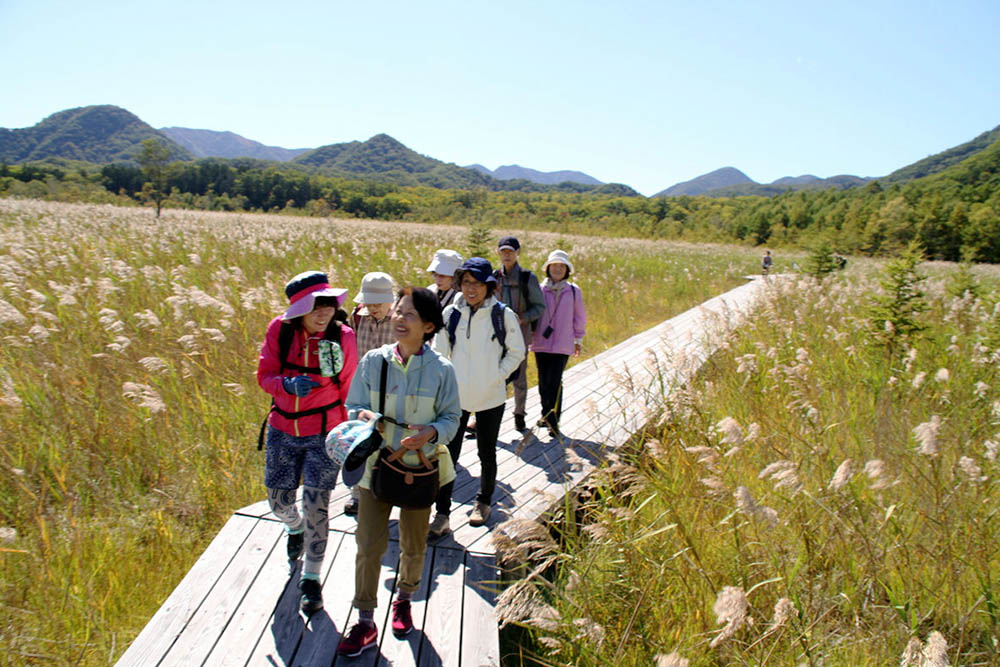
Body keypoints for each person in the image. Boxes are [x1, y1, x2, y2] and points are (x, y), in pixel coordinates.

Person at [336, 287, 461, 657]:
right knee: (368, 546)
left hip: (420, 470)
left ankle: (404, 599)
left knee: (413, 544)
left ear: (428, 325)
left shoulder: (442, 370)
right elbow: (353, 406)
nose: (399, 319)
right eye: (398, 312)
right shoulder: (374, 361)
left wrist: (432, 432)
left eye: (409, 315)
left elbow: (452, 417)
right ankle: (365, 621)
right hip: (375, 469)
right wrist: (363, 418)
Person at [256, 270, 358, 614]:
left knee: (318, 505)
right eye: (315, 306)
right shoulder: (279, 331)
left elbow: (349, 387)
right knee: (278, 501)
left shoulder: (344, 337)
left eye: (328, 305)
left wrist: (346, 435)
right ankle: (293, 527)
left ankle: (311, 580)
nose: (323, 313)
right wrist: (285, 385)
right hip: (282, 429)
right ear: (298, 310)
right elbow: (265, 375)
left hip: (323, 434)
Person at [429, 257, 525, 537]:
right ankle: (442, 514)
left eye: (478, 283)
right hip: (455, 399)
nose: (471, 289)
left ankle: (483, 502)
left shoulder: (501, 314)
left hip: (490, 397)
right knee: (448, 455)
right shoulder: (451, 314)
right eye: (467, 282)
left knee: (486, 452)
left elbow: (516, 352)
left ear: (489, 285)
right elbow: (439, 353)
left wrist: (497, 375)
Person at [342, 271, 397, 516]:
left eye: (378, 303)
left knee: (388, 444)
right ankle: (357, 494)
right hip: (361, 389)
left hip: (392, 392)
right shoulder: (357, 317)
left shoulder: (400, 320)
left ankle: (386, 491)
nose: (373, 308)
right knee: (358, 442)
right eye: (369, 302)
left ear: (389, 300)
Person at [530, 250, 586, 440]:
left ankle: (553, 421)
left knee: (554, 381)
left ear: (567, 270)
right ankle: (546, 415)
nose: (558, 269)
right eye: (554, 265)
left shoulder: (573, 291)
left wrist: (578, 339)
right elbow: (533, 314)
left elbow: (579, 317)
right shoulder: (539, 289)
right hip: (540, 342)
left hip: (563, 343)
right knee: (543, 383)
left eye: (561, 266)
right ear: (548, 268)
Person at [493, 236, 545, 432]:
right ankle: (491, 415)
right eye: (503, 251)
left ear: (517, 253)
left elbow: (540, 307)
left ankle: (519, 414)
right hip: (496, 337)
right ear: (498, 253)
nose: (506, 255)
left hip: (520, 336)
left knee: (519, 377)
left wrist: (522, 318)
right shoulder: (494, 277)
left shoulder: (527, 278)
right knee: (495, 377)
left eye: (510, 251)